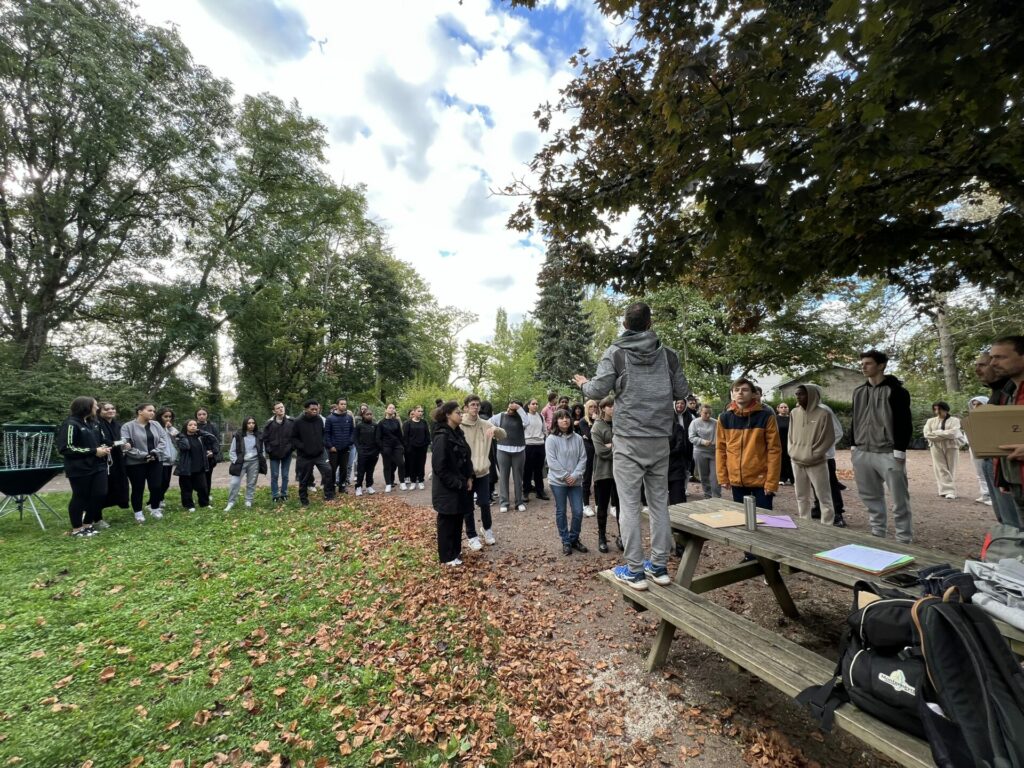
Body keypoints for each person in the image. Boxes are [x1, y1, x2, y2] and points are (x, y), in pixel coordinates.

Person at [575, 301, 690, 591]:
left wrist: (584, 383)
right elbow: (683, 392)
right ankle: (660, 567)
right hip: (659, 438)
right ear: (650, 324)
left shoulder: (616, 352)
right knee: (658, 503)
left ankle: (636, 570)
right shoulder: (669, 355)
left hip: (627, 439)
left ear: (625, 325)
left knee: (628, 505)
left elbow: (597, 391)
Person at [850, 349, 914, 543]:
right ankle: (878, 534)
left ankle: (904, 539)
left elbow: (904, 421)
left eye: (868, 363)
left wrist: (900, 450)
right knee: (870, 496)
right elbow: (855, 419)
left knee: (899, 499)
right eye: (862, 364)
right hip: (862, 450)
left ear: (881, 365)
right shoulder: (859, 391)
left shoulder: (897, 391)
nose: (863, 367)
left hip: (888, 452)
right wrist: (853, 445)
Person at [717, 378, 782, 509]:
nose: (740, 393)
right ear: (732, 394)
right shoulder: (724, 418)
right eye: (736, 390)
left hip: (761, 481)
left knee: (764, 520)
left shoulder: (766, 416)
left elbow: (774, 450)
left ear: (753, 394)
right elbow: (720, 449)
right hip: (737, 481)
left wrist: (771, 482)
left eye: (745, 390)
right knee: (741, 519)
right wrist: (723, 477)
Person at [973, 352, 1019, 525]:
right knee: (1005, 520)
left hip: (1009, 461)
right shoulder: (998, 392)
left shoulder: (1012, 391)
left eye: (983, 365)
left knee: (1014, 522)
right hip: (992, 461)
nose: (977, 369)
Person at [57, 396, 109, 537]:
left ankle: (88, 524)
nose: (97, 408)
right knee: (80, 497)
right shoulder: (71, 424)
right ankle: (77, 529)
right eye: (95, 406)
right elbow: (66, 448)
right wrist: (94, 451)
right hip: (79, 468)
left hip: (98, 466)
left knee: (99, 494)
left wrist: (104, 448)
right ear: (86, 407)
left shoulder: (94, 423)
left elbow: (101, 440)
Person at [431, 401, 474, 566]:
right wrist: (457, 483)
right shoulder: (441, 436)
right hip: (447, 488)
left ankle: (455, 552)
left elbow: (466, 456)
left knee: (457, 519)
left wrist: (469, 477)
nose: (461, 414)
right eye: (457, 412)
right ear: (448, 415)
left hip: (461, 484)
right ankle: (446, 556)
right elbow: (440, 467)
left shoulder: (458, 433)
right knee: (447, 521)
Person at [460, 395, 506, 549]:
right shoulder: (460, 425)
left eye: (477, 405)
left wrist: (495, 429)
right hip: (467, 473)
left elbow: (503, 435)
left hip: (483, 472)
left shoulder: (486, 424)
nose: (475, 407)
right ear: (466, 407)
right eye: (472, 405)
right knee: (467, 506)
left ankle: (487, 529)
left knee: (485, 503)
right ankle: (472, 536)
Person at [989, 335, 1024, 528]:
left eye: (1001, 357)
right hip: (1016, 480)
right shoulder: (1007, 391)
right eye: (992, 357)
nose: (993, 363)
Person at [788, 385, 836, 524]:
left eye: (802, 394)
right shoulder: (794, 413)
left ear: (812, 395)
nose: (798, 397)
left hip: (817, 462)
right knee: (801, 496)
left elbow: (828, 438)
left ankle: (827, 526)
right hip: (796, 461)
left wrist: (814, 454)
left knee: (824, 497)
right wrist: (792, 452)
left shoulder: (824, 414)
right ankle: (805, 523)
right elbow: (790, 436)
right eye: (797, 394)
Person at [547, 409, 588, 555]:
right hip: (558, 482)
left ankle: (574, 538)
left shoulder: (577, 438)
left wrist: (575, 475)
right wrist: (565, 476)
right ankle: (565, 540)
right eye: (561, 418)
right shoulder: (551, 439)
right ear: (556, 421)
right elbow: (552, 461)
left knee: (578, 511)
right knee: (561, 511)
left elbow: (583, 458)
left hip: (575, 482)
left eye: (567, 418)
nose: (565, 420)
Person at [122, 403, 169, 523]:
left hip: (155, 460)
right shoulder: (128, 427)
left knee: (156, 486)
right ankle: (138, 513)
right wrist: (144, 455)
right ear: (140, 411)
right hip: (135, 463)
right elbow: (125, 446)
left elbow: (163, 440)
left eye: (153, 411)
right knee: (138, 488)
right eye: (149, 410)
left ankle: (155, 508)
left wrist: (154, 453)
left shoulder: (156, 424)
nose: (152, 413)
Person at [291, 400, 335, 506]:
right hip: (305, 456)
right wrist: (303, 447)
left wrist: (322, 443)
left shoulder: (319, 419)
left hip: (319, 453)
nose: (315, 411)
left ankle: (329, 495)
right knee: (304, 478)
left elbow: (323, 433)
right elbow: (293, 438)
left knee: (328, 471)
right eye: (312, 409)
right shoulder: (298, 421)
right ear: (306, 409)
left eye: (317, 409)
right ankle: (304, 499)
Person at [489, 400, 529, 512]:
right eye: (510, 407)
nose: (510, 409)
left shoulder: (522, 417)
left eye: (514, 408)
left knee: (518, 477)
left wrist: (519, 408)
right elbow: (488, 423)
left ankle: (519, 501)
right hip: (502, 449)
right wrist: (494, 429)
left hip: (519, 450)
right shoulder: (500, 416)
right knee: (503, 476)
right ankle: (504, 502)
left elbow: (527, 422)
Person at [591, 396, 619, 552]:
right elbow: (600, 451)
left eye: (614, 405)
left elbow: (628, 446)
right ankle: (602, 538)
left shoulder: (621, 424)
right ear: (603, 408)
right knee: (602, 507)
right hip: (603, 473)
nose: (612, 408)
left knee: (622, 507)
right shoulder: (597, 427)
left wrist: (610, 445)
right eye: (609, 406)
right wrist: (617, 447)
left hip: (621, 472)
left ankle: (623, 537)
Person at [923, 401, 963, 500]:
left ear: (945, 409)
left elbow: (953, 433)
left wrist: (937, 433)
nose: (937, 411)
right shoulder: (930, 421)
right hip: (935, 446)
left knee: (950, 468)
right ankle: (947, 490)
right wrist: (943, 434)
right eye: (935, 409)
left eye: (939, 409)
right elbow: (927, 434)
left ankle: (948, 490)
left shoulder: (955, 420)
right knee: (940, 468)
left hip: (951, 446)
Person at [96, 401, 128, 523]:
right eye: (106, 409)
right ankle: (95, 517)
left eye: (112, 408)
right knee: (100, 489)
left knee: (117, 485)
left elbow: (124, 440)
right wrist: (119, 443)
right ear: (99, 412)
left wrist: (127, 444)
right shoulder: (96, 425)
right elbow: (105, 441)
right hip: (103, 461)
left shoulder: (118, 425)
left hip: (118, 460)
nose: (110, 411)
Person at [226, 416, 265, 511]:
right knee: (234, 482)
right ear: (245, 424)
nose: (251, 425)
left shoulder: (259, 435)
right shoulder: (239, 435)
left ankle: (248, 500)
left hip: (254, 462)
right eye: (249, 423)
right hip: (241, 462)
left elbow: (262, 449)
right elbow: (232, 450)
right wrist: (235, 461)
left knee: (251, 483)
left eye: (253, 423)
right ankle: (231, 502)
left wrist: (261, 459)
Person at [175, 418, 215, 511]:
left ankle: (204, 503)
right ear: (185, 427)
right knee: (186, 488)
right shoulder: (181, 438)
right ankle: (189, 505)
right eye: (190, 425)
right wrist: (182, 436)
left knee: (202, 487)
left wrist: (201, 431)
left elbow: (212, 438)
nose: (193, 426)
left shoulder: (200, 437)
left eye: (195, 425)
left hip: (199, 466)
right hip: (186, 467)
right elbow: (186, 446)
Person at [263, 403, 294, 504]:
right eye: (278, 408)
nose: (281, 409)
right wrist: (269, 450)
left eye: (282, 407)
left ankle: (284, 493)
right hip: (274, 454)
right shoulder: (269, 424)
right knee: (274, 475)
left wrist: (291, 448)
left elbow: (295, 436)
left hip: (287, 453)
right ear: (274, 411)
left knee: (285, 475)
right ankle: (275, 494)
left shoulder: (291, 421)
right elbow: (265, 438)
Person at [688, 404, 720, 499]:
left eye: (709, 413)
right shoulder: (694, 422)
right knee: (704, 476)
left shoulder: (716, 423)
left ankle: (716, 497)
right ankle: (708, 496)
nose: (708, 415)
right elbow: (691, 437)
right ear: (700, 412)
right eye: (705, 413)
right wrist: (702, 441)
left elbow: (722, 436)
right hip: (700, 452)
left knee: (715, 477)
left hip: (714, 452)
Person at [966, 395, 992, 506]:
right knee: (979, 472)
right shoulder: (972, 419)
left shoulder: (991, 418)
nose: (976, 406)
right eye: (974, 404)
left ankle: (991, 496)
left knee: (990, 472)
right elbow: (967, 433)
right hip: (974, 447)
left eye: (979, 404)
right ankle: (985, 494)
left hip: (988, 448)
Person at [325, 398, 355, 494]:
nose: (344, 406)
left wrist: (350, 442)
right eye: (341, 404)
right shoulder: (330, 418)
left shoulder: (349, 418)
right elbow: (327, 434)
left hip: (345, 448)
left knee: (344, 468)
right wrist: (330, 446)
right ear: (337, 405)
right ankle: (332, 487)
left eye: (345, 404)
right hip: (334, 449)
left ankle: (342, 486)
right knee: (332, 469)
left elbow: (352, 432)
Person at [572, 402, 597, 516]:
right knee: (587, 478)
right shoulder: (583, 421)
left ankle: (598, 503)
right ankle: (585, 505)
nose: (593, 409)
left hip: (598, 452)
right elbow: (591, 436)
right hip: (588, 452)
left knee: (598, 479)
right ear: (587, 408)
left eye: (595, 407)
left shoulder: (599, 420)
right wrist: (594, 424)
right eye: (590, 407)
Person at [522, 398, 549, 501]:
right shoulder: (524, 417)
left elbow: (545, 430)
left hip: (540, 445)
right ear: (528, 405)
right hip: (528, 445)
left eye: (537, 404)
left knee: (539, 470)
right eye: (533, 404)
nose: (535, 405)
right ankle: (526, 492)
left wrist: (544, 439)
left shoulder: (541, 416)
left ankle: (540, 491)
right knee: (527, 470)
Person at [377, 404, 406, 492]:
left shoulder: (396, 422)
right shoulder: (381, 423)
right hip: (386, 446)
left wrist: (402, 446)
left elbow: (400, 435)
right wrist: (382, 448)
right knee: (387, 466)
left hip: (397, 446)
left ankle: (402, 483)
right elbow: (378, 437)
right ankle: (388, 484)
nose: (392, 409)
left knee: (401, 463)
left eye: (393, 408)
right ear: (386, 410)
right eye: (390, 408)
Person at [668, 400, 693, 504]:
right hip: (658, 468)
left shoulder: (678, 428)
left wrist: (665, 452)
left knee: (678, 499)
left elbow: (680, 445)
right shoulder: (655, 429)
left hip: (675, 467)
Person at [353, 407, 379, 496]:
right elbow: (355, 438)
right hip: (363, 451)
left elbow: (378, 439)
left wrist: (377, 450)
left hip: (373, 452)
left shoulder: (375, 426)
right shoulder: (359, 426)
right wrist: (359, 449)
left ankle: (369, 486)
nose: (369, 416)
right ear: (363, 415)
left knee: (370, 470)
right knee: (361, 470)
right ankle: (358, 487)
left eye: (370, 414)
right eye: (367, 414)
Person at [156, 407, 178, 511]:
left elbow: (177, 437)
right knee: (159, 481)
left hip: (170, 459)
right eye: (165, 416)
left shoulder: (170, 428)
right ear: (160, 417)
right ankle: (154, 501)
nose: (168, 418)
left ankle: (160, 498)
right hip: (160, 458)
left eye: (170, 416)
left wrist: (170, 428)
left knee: (166, 482)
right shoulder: (156, 427)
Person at [403, 406, 430, 490]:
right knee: (412, 465)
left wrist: (426, 445)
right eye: (419, 411)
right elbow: (405, 437)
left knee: (421, 464)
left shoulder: (424, 422)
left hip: (422, 448)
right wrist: (407, 447)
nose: (421, 413)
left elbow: (427, 435)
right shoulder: (408, 423)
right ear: (414, 412)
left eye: (422, 411)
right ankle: (413, 482)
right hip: (411, 448)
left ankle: (421, 481)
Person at [195, 408, 220, 492]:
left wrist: (213, 452)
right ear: (196, 416)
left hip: (209, 456)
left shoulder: (212, 426)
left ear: (207, 415)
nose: (202, 416)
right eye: (199, 414)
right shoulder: (193, 426)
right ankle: (197, 494)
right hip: (196, 456)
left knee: (207, 476)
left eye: (204, 414)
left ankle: (207, 495)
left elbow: (216, 440)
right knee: (196, 477)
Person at [776, 402, 795, 485]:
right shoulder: (775, 419)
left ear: (788, 409)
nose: (784, 409)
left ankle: (793, 478)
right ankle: (782, 478)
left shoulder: (792, 418)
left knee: (791, 460)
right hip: (780, 442)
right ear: (778, 409)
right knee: (781, 460)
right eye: (782, 407)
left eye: (785, 407)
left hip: (790, 442)